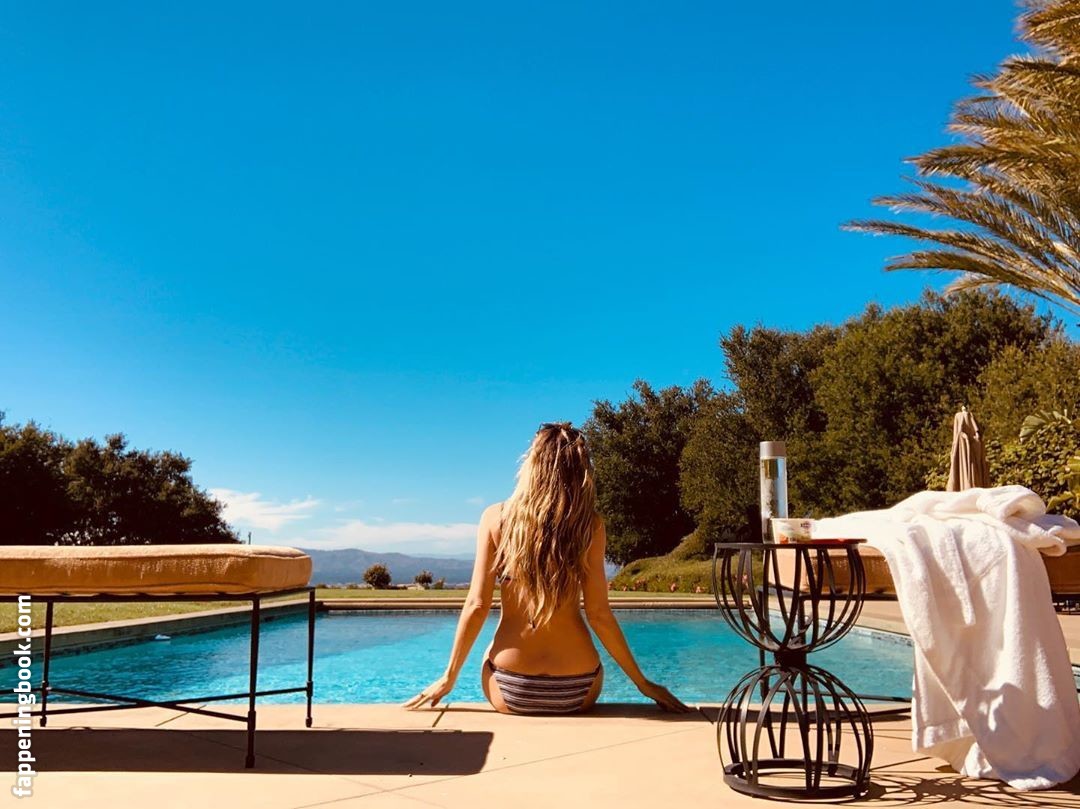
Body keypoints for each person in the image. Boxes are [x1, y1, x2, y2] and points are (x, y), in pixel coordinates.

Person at [404, 422, 690, 715]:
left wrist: (449, 677)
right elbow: (599, 614)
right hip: (579, 687)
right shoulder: (590, 526)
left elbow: (477, 605)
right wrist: (643, 683)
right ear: (580, 470)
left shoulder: (495, 518)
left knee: (490, 650)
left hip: (509, 686)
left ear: (531, 464)